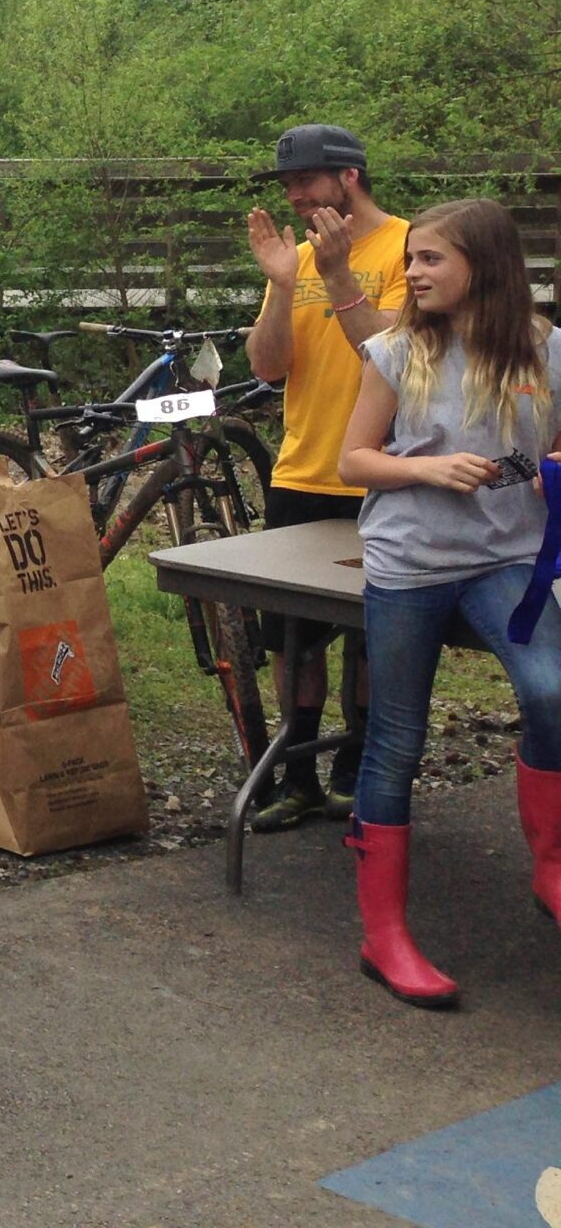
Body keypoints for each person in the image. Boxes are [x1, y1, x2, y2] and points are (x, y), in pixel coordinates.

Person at [335, 198, 561, 1008]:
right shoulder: (395, 351)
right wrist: (428, 469)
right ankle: (383, 935)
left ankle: (550, 864)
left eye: (431, 259)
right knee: (396, 739)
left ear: (486, 266)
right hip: (411, 566)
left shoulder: (546, 349)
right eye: (414, 259)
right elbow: (352, 459)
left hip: (507, 561)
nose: (414, 272)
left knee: (554, 693)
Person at [243, 124, 405, 829]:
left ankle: (357, 768)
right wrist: (282, 287)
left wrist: (337, 274)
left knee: (375, 634)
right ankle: (299, 771)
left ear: (349, 176)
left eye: (306, 181)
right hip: (303, 467)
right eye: (287, 186)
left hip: (382, 471)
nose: (296, 196)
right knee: (293, 637)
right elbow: (267, 366)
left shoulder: (408, 246)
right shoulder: (298, 256)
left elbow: (393, 356)